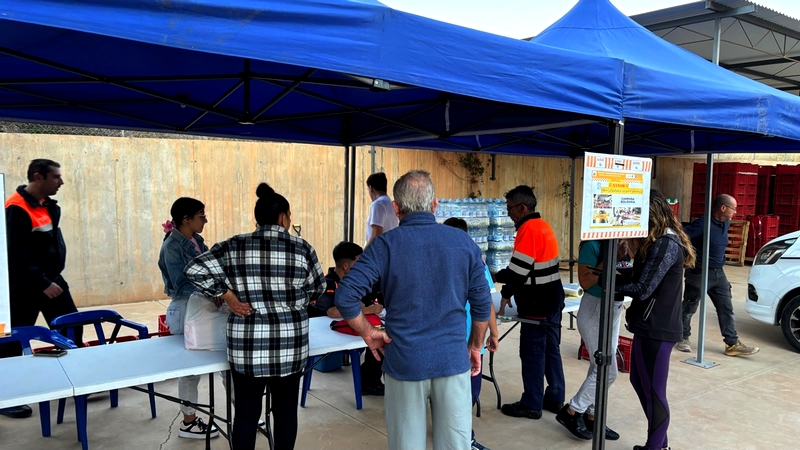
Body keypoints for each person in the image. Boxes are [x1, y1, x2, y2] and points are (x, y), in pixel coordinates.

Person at [334, 170, 491, 450]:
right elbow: (481, 304)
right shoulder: (463, 243)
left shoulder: (386, 245)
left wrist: (369, 333)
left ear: (396, 208)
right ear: (434, 205)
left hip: (405, 362)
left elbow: (346, 295)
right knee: (456, 445)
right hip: (452, 361)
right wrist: (475, 346)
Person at [184, 183, 326, 450]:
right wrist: (293, 302)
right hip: (289, 346)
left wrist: (227, 296)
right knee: (285, 413)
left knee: (246, 415)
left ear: (257, 218)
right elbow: (317, 287)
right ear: (283, 217)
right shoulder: (301, 248)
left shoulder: (234, 245)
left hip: (246, 347)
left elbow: (194, 269)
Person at [0, 159, 82, 419]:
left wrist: (50, 279)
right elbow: (15, 255)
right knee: (12, 340)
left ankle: (75, 381)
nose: (61, 182)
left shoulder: (45, 205)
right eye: (56, 177)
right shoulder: (16, 207)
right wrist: (42, 283)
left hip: (52, 279)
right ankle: (8, 397)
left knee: (70, 326)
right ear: (38, 177)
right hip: (26, 286)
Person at [615, 190, 696, 450]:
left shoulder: (666, 244)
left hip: (658, 328)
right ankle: (659, 444)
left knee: (654, 392)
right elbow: (641, 276)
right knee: (639, 382)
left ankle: (655, 447)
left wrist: (610, 286)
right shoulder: (658, 241)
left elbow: (642, 288)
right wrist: (619, 267)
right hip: (648, 325)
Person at [497, 185, 566, 420]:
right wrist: (500, 276)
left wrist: (505, 293)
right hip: (553, 299)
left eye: (510, 209)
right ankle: (555, 397)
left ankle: (532, 403)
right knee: (550, 349)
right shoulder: (544, 226)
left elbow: (519, 271)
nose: (509, 214)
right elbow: (531, 265)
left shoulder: (527, 230)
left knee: (532, 352)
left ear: (523, 208)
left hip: (536, 302)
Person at [157, 197, 219, 439]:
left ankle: (246, 415)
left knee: (225, 362)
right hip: (186, 310)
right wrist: (215, 291)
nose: (205, 220)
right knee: (191, 369)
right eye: (201, 215)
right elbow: (182, 285)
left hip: (204, 307)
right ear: (186, 219)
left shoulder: (196, 240)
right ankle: (189, 421)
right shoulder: (172, 247)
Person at [556, 240, 630, 441]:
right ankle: (572, 411)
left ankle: (592, 415)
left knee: (598, 368)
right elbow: (586, 282)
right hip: (594, 309)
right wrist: (611, 258)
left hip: (614, 307)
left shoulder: (630, 240)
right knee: (608, 370)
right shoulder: (593, 245)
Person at [677, 194, 759, 356]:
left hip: (718, 274)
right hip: (699, 272)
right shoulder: (703, 224)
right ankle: (682, 337)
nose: (735, 212)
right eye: (733, 208)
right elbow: (681, 236)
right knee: (689, 307)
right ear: (723, 208)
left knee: (726, 308)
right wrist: (689, 256)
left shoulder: (725, 223)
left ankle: (732, 344)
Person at [443, 217, 499, 450]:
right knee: (465, 393)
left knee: (456, 391)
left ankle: (453, 432)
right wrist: (492, 333)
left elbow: (486, 303)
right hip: (467, 339)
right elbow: (486, 302)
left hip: (462, 339)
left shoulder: (441, 263)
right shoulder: (476, 263)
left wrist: (493, 332)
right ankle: (464, 439)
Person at [307, 241, 386, 395]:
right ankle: (368, 382)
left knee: (381, 338)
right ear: (345, 266)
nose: (363, 267)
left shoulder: (356, 284)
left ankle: (370, 382)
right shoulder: (327, 282)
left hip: (347, 331)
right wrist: (367, 310)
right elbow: (332, 312)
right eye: (359, 262)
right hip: (325, 335)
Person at [364, 172, 399, 247]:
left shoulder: (378, 204)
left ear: (371, 189)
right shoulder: (391, 204)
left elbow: (376, 236)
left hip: (378, 253)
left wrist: (363, 256)